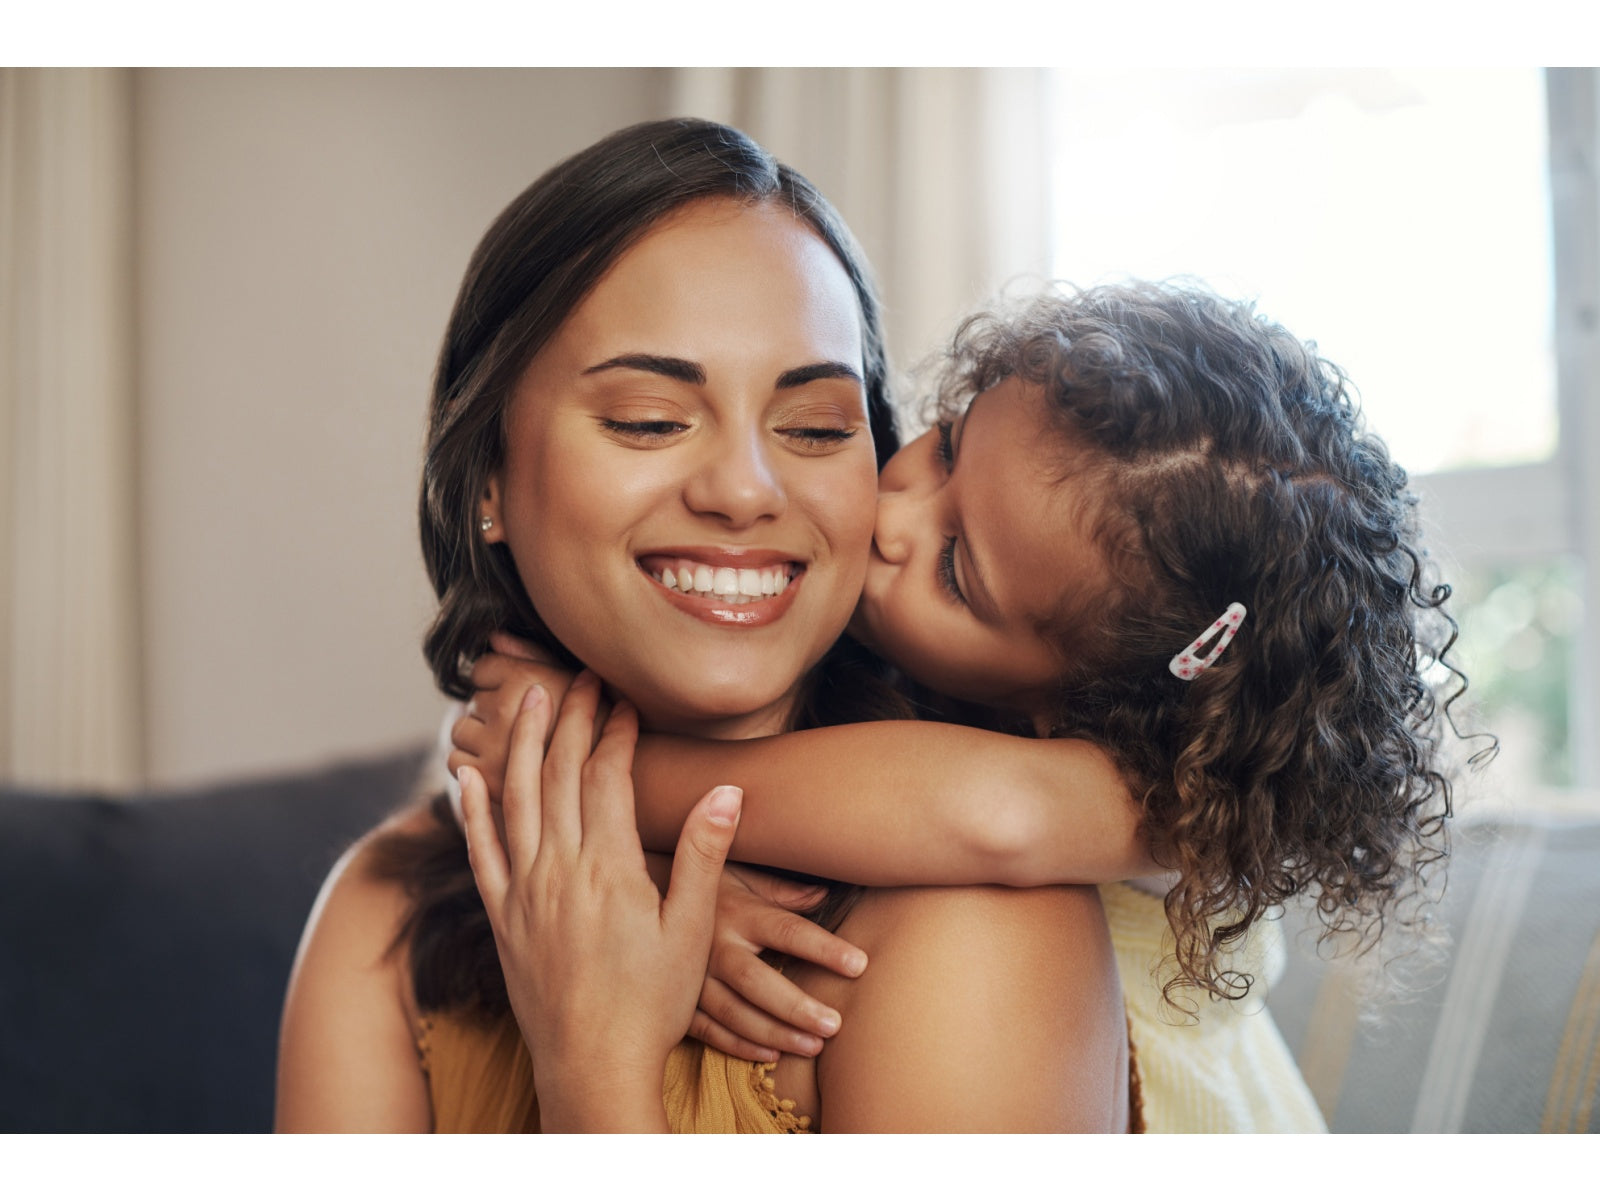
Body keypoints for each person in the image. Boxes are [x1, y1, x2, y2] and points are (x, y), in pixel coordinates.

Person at [273, 118, 1136, 1133]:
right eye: (648, 418)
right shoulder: (382, 913)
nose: (743, 489)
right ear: (487, 481)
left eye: (814, 428)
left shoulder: (982, 916)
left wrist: (592, 1062)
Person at [455, 280, 1473, 1132]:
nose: (891, 519)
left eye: (953, 567)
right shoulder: (898, 686)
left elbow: (985, 816)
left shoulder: (1162, 799)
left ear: (1080, 700)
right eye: (945, 450)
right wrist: (664, 878)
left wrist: (594, 773)